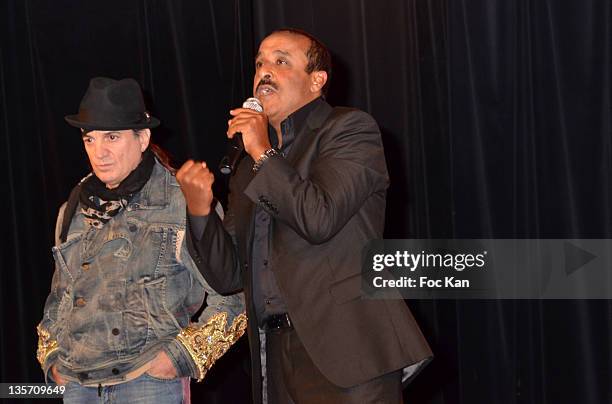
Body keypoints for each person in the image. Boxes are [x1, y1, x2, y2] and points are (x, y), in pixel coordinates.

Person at [177, 28, 433, 403]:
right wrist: (200, 212)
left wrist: (263, 151)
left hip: (347, 353)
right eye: (260, 63)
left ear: (317, 80)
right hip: (274, 357)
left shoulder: (348, 130)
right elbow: (230, 275)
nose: (265, 71)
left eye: (281, 61)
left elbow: (319, 218)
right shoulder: (250, 166)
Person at [36, 77, 246, 403]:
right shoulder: (73, 209)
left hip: (147, 384)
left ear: (143, 138)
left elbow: (233, 297)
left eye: (113, 137)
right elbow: (59, 298)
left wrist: (181, 357)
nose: (99, 151)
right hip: (78, 384)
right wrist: (52, 361)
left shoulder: (181, 200)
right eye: (89, 139)